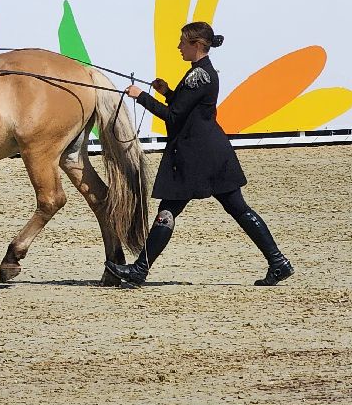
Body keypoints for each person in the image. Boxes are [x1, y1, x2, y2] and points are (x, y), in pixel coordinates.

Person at [106, 22, 294, 287]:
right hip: (210, 152)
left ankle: (139, 271)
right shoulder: (202, 73)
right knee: (236, 208)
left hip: (196, 155)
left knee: (170, 209)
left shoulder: (199, 76)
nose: (179, 47)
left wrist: (141, 97)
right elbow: (186, 108)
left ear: (196, 45)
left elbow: (173, 116)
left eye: (183, 42)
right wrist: (168, 92)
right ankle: (278, 262)